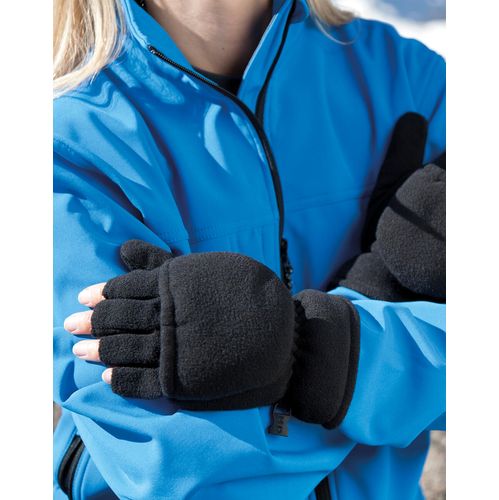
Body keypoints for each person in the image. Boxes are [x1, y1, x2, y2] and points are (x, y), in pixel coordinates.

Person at [53, 0, 446, 498]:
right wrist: (366, 346)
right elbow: (182, 469)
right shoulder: (64, 138)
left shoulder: (407, 80)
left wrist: (323, 351)